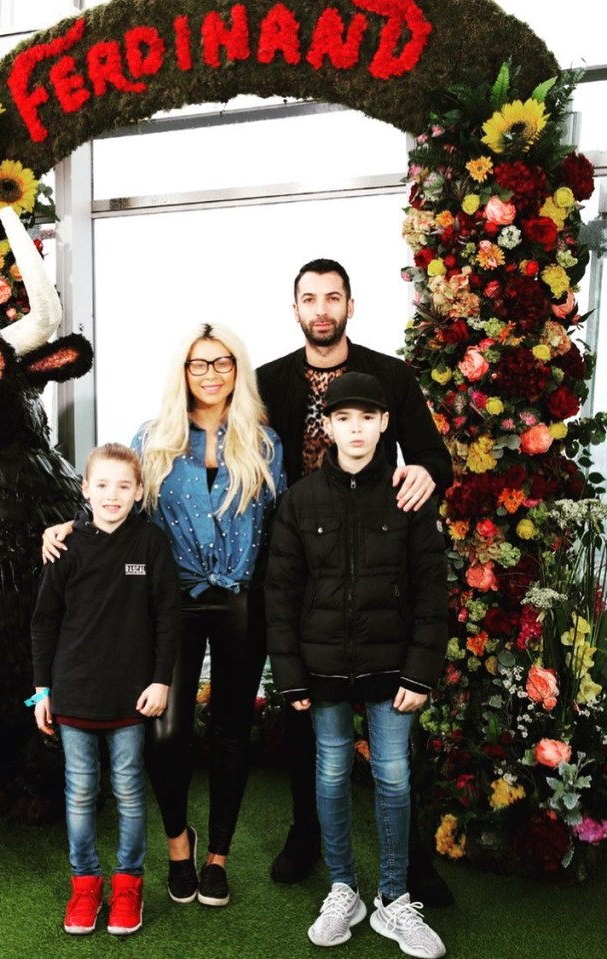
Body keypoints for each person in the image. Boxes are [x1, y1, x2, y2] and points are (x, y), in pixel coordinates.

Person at [42, 322, 286, 908]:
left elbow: (282, 528)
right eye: (198, 364)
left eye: (221, 362)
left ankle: (217, 858)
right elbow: (117, 504)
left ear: (236, 369)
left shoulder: (263, 441)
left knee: (231, 730)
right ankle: (179, 842)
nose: (209, 374)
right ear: (183, 372)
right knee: (165, 733)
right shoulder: (154, 439)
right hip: (172, 601)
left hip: (240, 603)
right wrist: (67, 529)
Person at [256, 258, 454, 904]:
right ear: (294, 309)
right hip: (299, 555)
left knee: (394, 756)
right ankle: (307, 836)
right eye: (308, 298)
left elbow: (431, 457)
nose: (320, 308)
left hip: (377, 558)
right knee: (309, 722)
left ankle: (410, 867)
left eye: (331, 297)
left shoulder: (390, 376)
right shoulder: (267, 382)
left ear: (349, 304)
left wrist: (425, 475)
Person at [30, 443, 181, 937]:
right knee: (79, 793)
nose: (112, 495)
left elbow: (168, 620)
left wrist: (161, 681)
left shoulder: (151, 545)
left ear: (139, 492)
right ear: (85, 489)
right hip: (74, 694)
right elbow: (44, 623)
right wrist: (41, 691)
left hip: (132, 699)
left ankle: (128, 884)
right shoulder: (65, 546)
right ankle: (86, 885)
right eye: (102, 485)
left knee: (130, 793)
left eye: (123, 486)